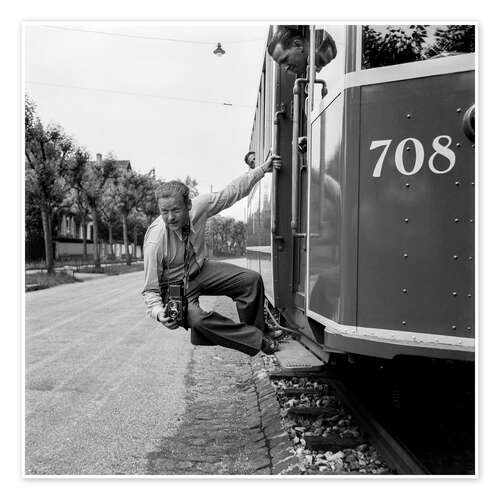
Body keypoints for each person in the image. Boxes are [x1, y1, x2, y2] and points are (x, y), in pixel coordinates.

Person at [142, 154, 282, 356]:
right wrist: (158, 314)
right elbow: (150, 290)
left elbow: (231, 193)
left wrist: (261, 170)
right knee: (198, 322)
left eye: (175, 210)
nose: (170, 217)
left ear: (188, 206)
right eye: (164, 212)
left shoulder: (200, 206)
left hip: (200, 269)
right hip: (175, 287)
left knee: (250, 280)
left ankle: (260, 329)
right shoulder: (155, 241)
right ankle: (256, 339)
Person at [267, 25, 337, 75]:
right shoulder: (315, 67)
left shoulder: (329, 53)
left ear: (298, 45)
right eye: (281, 64)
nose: (286, 68)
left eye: (285, 59)